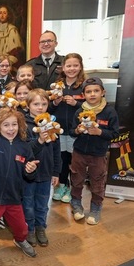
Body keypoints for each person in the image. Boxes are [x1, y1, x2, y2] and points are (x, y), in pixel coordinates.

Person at [0, 107, 39, 264]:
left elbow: (29, 174)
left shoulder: (24, 146)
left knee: (20, 226)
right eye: (6, 125)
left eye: (14, 124)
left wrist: (31, 170)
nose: (11, 129)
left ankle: (20, 240)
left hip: (14, 196)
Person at [68, 77, 119, 225]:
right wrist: (77, 130)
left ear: (103, 92)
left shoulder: (109, 112)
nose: (92, 94)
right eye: (88, 91)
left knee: (98, 181)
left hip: (98, 154)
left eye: (96, 91)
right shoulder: (79, 111)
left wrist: (100, 132)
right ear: (83, 95)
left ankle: (96, 207)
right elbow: (72, 131)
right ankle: (76, 203)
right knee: (77, 179)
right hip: (79, 152)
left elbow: (115, 134)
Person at [22, 89, 61, 246]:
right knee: (28, 204)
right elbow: (24, 151)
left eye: (44, 104)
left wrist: (56, 172)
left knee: (42, 204)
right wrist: (39, 140)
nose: (40, 107)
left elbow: (57, 151)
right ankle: (29, 229)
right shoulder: (23, 125)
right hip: (28, 174)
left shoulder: (52, 124)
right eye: (36, 104)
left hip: (46, 173)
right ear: (28, 105)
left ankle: (40, 227)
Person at [50, 53, 86, 203]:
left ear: (80, 67)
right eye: (68, 66)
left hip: (76, 131)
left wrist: (75, 104)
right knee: (62, 159)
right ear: (63, 68)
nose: (72, 69)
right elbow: (48, 108)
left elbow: (90, 108)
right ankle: (62, 185)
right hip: (59, 130)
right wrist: (56, 103)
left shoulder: (84, 86)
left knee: (74, 160)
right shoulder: (57, 85)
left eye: (75, 65)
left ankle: (72, 188)